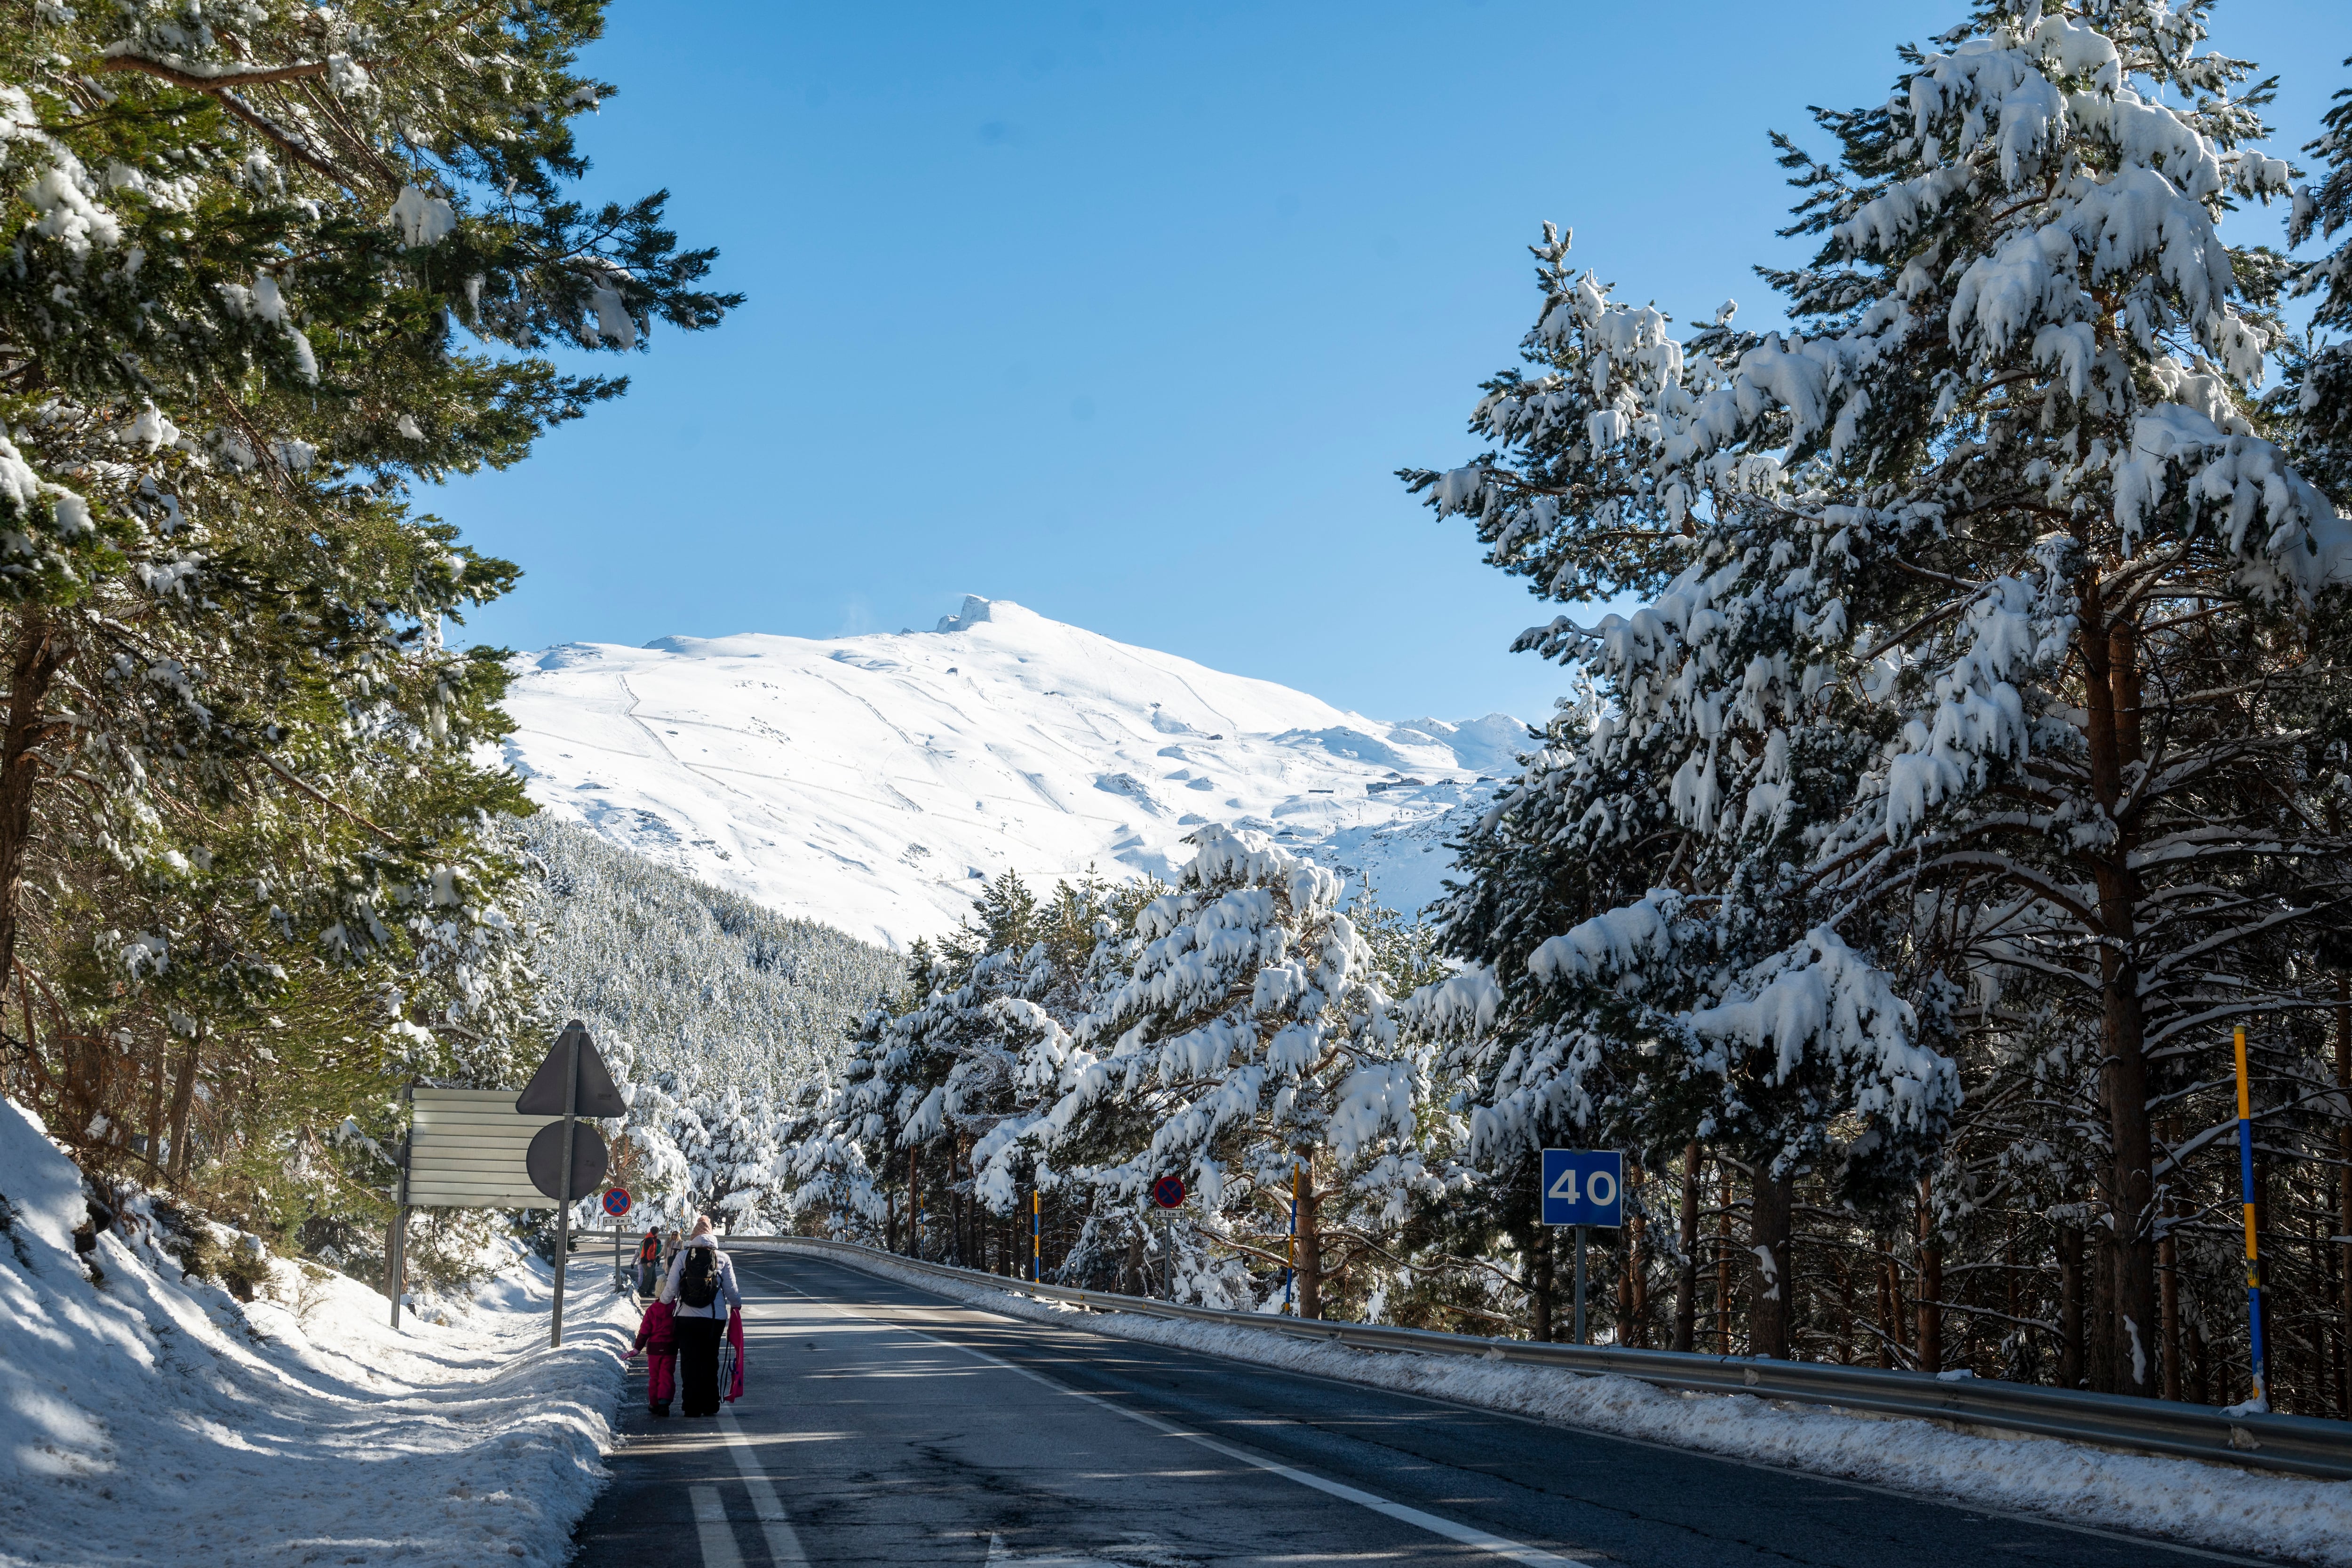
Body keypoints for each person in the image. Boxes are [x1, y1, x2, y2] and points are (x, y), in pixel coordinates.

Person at [659, 1214, 740, 1418]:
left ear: (693, 1238)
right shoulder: (723, 1258)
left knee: (689, 1361)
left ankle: (692, 1406)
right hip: (714, 1320)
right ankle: (711, 1404)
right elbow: (732, 1292)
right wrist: (736, 1306)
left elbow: (671, 1288)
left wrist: (663, 1302)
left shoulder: (683, 1257)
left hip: (685, 1318)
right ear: (712, 1237)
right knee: (710, 1360)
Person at [634, 1227, 661, 1297]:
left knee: (653, 1278)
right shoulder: (650, 1240)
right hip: (647, 1262)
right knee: (648, 1277)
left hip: (651, 1261)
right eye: (657, 1232)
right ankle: (642, 1291)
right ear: (655, 1233)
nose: (658, 1234)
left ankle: (649, 1291)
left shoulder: (652, 1239)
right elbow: (647, 1252)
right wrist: (648, 1261)